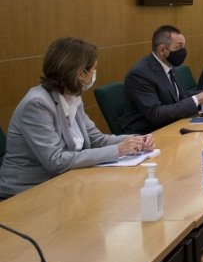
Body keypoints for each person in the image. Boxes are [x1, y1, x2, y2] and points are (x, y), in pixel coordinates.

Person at [0, 38, 153, 198]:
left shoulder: (72, 96)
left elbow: (97, 139)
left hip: (63, 182)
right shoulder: (37, 104)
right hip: (26, 192)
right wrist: (117, 150)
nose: (94, 74)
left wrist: (136, 140)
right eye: (94, 69)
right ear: (80, 73)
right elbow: (55, 161)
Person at [121, 25, 203, 135]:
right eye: (179, 47)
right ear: (162, 49)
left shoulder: (168, 65)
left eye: (183, 47)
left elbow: (179, 98)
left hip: (172, 125)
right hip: (147, 135)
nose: (183, 51)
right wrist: (196, 99)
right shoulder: (140, 74)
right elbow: (156, 114)